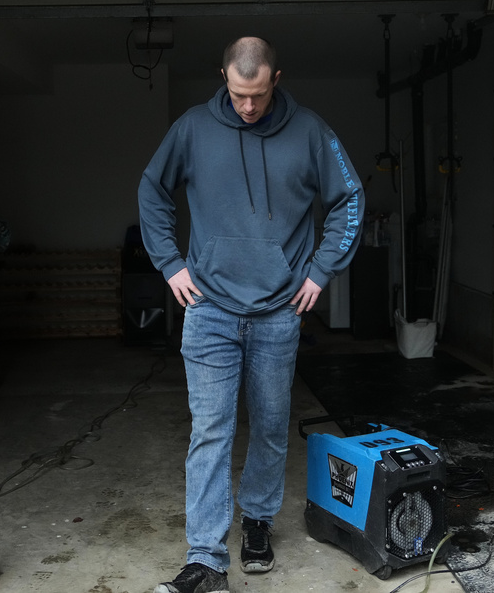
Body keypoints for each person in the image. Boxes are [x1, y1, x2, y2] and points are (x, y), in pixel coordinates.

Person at [138, 36, 364, 593]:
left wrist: (320, 271)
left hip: (278, 311)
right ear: (224, 77)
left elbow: (349, 198)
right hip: (209, 308)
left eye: (258, 95)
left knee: (268, 426)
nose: (247, 107)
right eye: (238, 95)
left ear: (276, 79)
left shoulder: (310, 131)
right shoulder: (192, 127)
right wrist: (170, 264)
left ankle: (257, 522)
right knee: (210, 430)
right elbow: (152, 189)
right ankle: (205, 557)